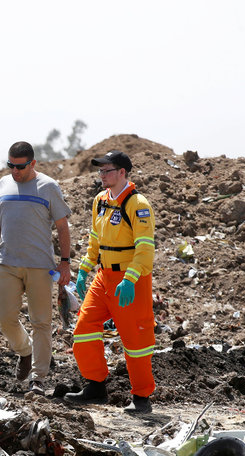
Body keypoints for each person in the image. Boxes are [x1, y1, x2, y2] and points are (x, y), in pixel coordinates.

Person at [66, 150, 156, 413]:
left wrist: (129, 279)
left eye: (107, 171)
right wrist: (85, 268)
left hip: (131, 280)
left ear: (122, 173)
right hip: (104, 277)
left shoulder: (138, 204)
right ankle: (95, 386)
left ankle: (141, 398)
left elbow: (145, 249)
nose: (102, 175)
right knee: (83, 330)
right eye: (100, 171)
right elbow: (95, 238)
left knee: (136, 342)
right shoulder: (100, 201)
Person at [0, 141, 71, 395]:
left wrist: (65, 262)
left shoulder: (49, 186)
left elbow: (63, 227)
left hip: (40, 266)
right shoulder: (3, 184)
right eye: (10, 165)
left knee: (41, 322)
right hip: (6, 263)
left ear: (33, 164)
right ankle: (25, 350)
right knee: (5, 319)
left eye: (20, 167)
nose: (14, 171)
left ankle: (38, 379)